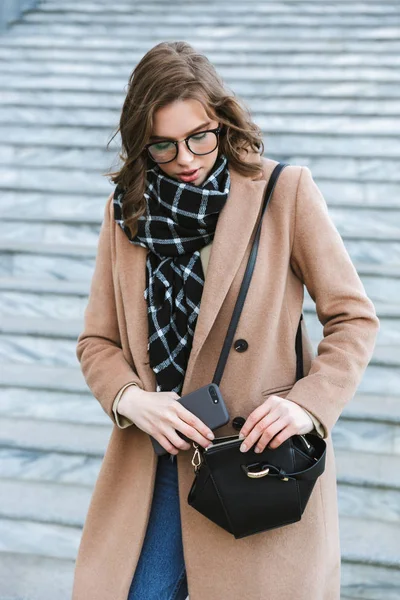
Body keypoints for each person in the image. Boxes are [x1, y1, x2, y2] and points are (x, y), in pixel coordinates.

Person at [72, 41, 380, 600]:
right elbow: (98, 340)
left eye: (199, 136)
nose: (186, 159)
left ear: (222, 120)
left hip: (254, 463)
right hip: (157, 462)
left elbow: (353, 318)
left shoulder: (282, 193)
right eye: (163, 146)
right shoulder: (128, 211)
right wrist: (132, 399)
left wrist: (306, 403)